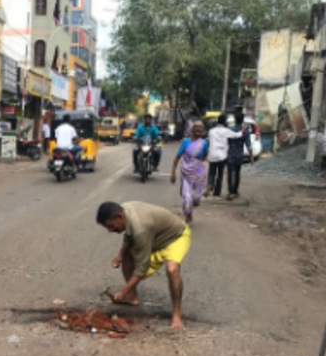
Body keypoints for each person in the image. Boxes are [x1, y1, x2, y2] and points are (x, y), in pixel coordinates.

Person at [97, 201, 192, 331]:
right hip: (156, 239)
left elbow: (141, 269)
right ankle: (132, 297)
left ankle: (177, 315)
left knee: (172, 269)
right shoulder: (125, 210)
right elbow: (129, 236)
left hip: (176, 237)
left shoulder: (140, 228)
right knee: (127, 255)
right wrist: (120, 255)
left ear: (119, 217)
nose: (110, 231)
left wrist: (122, 292)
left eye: (111, 226)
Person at [171, 120, 209, 222]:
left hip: (198, 173)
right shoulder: (186, 142)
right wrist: (173, 172)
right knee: (187, 197)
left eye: (200, 128)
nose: (198, 130)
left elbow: (205, 155)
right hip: (186, 173)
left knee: (196, 199)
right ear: (192, 130)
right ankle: (188, 214)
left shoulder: (205, 143)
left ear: (203, 130)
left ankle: (189, 207)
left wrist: (200, 165)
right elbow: (177, 157)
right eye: (196, 127)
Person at [206, 114, 248, 197]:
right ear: (225, 122)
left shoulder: (211, 131)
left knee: (211, 173)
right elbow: (237, 135)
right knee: (220, 174)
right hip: (222, 156)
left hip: (212, 154)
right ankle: (217, 192)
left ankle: (210, 185)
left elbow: (208, 141)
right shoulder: (226, 131)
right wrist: (243, 129)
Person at [224, 113, 255, 200]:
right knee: (237, 173)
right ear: (242, 120)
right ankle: (235, 191)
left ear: (235, 120)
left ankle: (230, 192)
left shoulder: (230, 130)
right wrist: (251, 156)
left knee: (230, 173)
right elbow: (248, 144)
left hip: (230, 154)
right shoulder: (245, 131)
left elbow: (226, 142)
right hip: (239, 155)